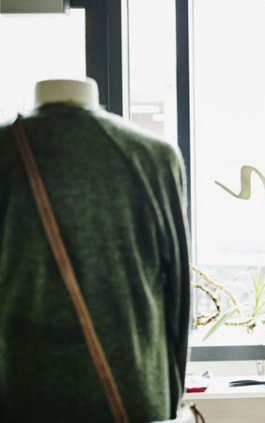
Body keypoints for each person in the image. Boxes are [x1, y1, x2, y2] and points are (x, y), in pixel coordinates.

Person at [0, 79, 190, 421]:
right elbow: (177, 297)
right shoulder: (154, 156)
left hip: (19, 392)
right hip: (135, 394)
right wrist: (169, 397)